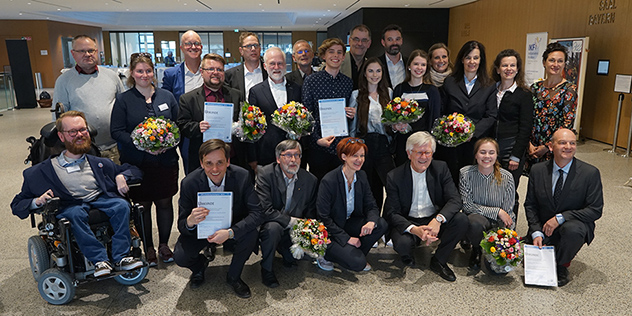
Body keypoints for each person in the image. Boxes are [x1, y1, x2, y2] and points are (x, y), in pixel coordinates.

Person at [11, 111, 143, 277]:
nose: (79, 135)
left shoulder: (100, 163)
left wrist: (122, 176)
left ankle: (121, 257)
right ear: (61, 136)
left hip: (99, 199)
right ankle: (99, 260)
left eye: (83, 130)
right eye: (73, 132)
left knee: (121, 205)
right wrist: (37, 201)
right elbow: (17, 204)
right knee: (74, 214)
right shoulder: (38, 173)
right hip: (70, 205)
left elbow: (135, 171)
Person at [110, 53, 179, 266]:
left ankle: (165, 245)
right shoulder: (124, 99)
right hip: (137, 164)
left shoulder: (167, 96)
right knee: (143, 205)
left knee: (165, 202)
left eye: (148, 70)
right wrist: (140, 143)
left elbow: (177, 127)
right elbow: (116, 131)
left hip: (165, 162)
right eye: (140, 71)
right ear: (132, 73)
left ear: (153, 72)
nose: (144, 75)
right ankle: (148, 247)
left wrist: (166, 144)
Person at [173, 139, 262, 297]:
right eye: (209, 163)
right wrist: (190, 221)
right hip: (202, 231)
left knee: (251, 234)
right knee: (180, 256)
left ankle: (234, 276)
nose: (215, 169)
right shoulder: (189, 183)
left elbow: (257, 213)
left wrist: (230, 232)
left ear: (228, 161)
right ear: (201, 163)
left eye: (220, 162)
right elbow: (181, 225)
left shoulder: (242, 176)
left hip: (231, 227)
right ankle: (200, 266)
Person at [383, 131, 467, 282]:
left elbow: (455, 199)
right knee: (402, 245)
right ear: (409, 154)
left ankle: (439, 260)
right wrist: (415, 230)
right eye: (419, 152)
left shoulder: (441, 168)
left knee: (461, 220)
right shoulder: (394, 176)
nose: (424, 157)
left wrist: (438, 220)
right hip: (409, 220)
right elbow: (391, 212)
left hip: (434, 217)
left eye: (427, 152)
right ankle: (412, 249)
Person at [525, 128, 603, 286]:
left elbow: (595, 210)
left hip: (573, 225)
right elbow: (531, 205)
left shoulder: (590, 173)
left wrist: (561, 218)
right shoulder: (537, 170)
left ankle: (562, 265)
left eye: (572, 143)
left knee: (573, 230)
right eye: (562, 142)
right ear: (551, 147)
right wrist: (536, 231)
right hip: (544, 226)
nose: (568, 146)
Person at [317, 137, 388, 272]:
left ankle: (353, 254)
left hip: (349, 223)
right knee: (358, 264)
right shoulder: (329, 181)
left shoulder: (361, 176)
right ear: (344, 157)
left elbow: (371, 205)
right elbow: (323, 217)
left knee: (381, 223)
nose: (359, 160)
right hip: (332, 231)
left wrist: (371, 222)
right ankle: (327, 253)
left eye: (362, 155)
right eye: (355, 156)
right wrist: (347, 238)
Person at [52, 35, 125, 162]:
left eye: (91, 50)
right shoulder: (64, 81)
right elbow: (59, 119)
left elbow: (124, 107)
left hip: (114, 147)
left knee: (114, 180)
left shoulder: (112, 76)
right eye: (82, 51)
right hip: (82, 150)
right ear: (73, 54)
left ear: (96, 52)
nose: (87, 54)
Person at [256, 140, 318, 287]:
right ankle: (267, 269)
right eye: (288, 155)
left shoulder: (310, 180)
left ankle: (285, 251)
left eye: (297, 155)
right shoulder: (266, 174)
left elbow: (310, 212)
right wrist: (292, 222)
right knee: (273, 228)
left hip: (293, 229)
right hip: (271, 224)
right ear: (278, 159)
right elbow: (266, 211)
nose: (293, 160)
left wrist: (311, 232)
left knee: (297, 259)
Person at [441, 40, 497, 184]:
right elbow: (443, 111)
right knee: (452, 179)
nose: (472, 61)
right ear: (462, 59)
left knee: (472, 182)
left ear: (481, 60)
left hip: (476, 144)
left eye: (476, 58)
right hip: (452, 143)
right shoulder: (450, 82)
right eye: (468, 57)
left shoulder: (489, 85)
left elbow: (491, 115)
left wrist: (471, 132)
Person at [177, 53, 242, 173]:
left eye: (220, 69)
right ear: (202, 72)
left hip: (232, 159)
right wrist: (197, 127)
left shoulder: (236, 95)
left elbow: (243, 121)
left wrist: (240, 126)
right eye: (211, 69)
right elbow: (182, 125)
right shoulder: (188, 99)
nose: (215, 72)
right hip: (201, 161)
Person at [459, 138, 515, 272]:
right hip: (476, 221)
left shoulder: (507, 177)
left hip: (497, 224)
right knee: (475, 222)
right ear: (476, 155)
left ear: (496, 155)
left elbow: (507, 212)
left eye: (491, 153)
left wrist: (506, 239)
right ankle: (476, 249)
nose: (487, 156)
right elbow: (467, 206)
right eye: (482, 152)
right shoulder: (465, 174)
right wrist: (497, 211)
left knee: (499, 270)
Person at [301, 38, 354, 180]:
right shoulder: (311, 81)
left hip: (342, 146)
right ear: (324, 56)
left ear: (343, 57)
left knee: (340, 187)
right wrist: (317, 139)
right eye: (331, 52)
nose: (335, 56)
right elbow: (307, 114)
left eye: (339, 52)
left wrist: (353, 113)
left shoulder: (348, 83)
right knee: (318, 186)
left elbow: (351, 114)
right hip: (319, 146)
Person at [491, 49, 534, 218]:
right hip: (490, 148)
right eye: (504, 65)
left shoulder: (524, 95)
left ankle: (509, 230)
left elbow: (525, 127)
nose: (508, 68)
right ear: (497, 69)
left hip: (511, 148)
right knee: (490, 189)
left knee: (508, 189)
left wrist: (516, 155)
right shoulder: (490, 90)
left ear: (517, 69)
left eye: (512, 65)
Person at [349, 57, 395, 210]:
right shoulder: (356, 95)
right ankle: (372, 221)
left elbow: (392, 120)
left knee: (391, 186)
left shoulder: (388, 93)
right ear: (364, 74)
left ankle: (388, 220)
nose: (374, 75)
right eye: (370, 71)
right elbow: (353, 126)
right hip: (365, 145)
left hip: (384, 145)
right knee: (369, 187)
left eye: (378, 71)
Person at [248, 47, 302, 167]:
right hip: (266, 154)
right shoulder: (256, 91)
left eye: (280, 63)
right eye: (272, 63)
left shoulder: (297, 88)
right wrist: (252, 158)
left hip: (293, 155)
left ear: (285, 65)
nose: (276, 67)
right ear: (265, 66)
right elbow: (252, 128)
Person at [528, 42, 577, 168]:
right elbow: (526, 117)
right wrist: (529, 144)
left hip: (553, 148)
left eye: (560, 61)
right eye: (552, 60)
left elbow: (567, 123)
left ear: (564, 64)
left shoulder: (569, 89)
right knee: (533, 182)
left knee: (549, 184)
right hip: (531, 147)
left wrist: (547, 146)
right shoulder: (535, 88)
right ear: (544, 63)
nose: (556, 65)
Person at [162, 30, 204, 173]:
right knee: (191, 168)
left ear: (202, 47)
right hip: (186, 131)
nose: (193, 47)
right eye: (188, 44)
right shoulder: (171, 74)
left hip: (210, 127)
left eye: (197, 43)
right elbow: (165, 101)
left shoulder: (210, 71)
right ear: (181, 48)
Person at [392, 49, 442, 166]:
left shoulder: (432, 91)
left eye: (423, 65)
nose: (419, 68)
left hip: (424, 143)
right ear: (409, 66)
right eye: (416, 64)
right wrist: (396, 126)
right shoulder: (399, 89)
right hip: (403, 142)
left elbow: (435, 119)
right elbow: (393, 116)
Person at [224, 32, 268, 101]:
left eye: (256, 45)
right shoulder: (230, 75)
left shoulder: (269, 72)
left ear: (260, 48)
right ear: (241, 51)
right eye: (248, 46)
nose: (253, 49)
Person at [340, 24, 372, 90]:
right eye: (356, 39)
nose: (360, 43)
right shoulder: (338, 63)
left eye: (364, 40)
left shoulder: (371, 66)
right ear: (349, 41)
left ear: (369, 44)